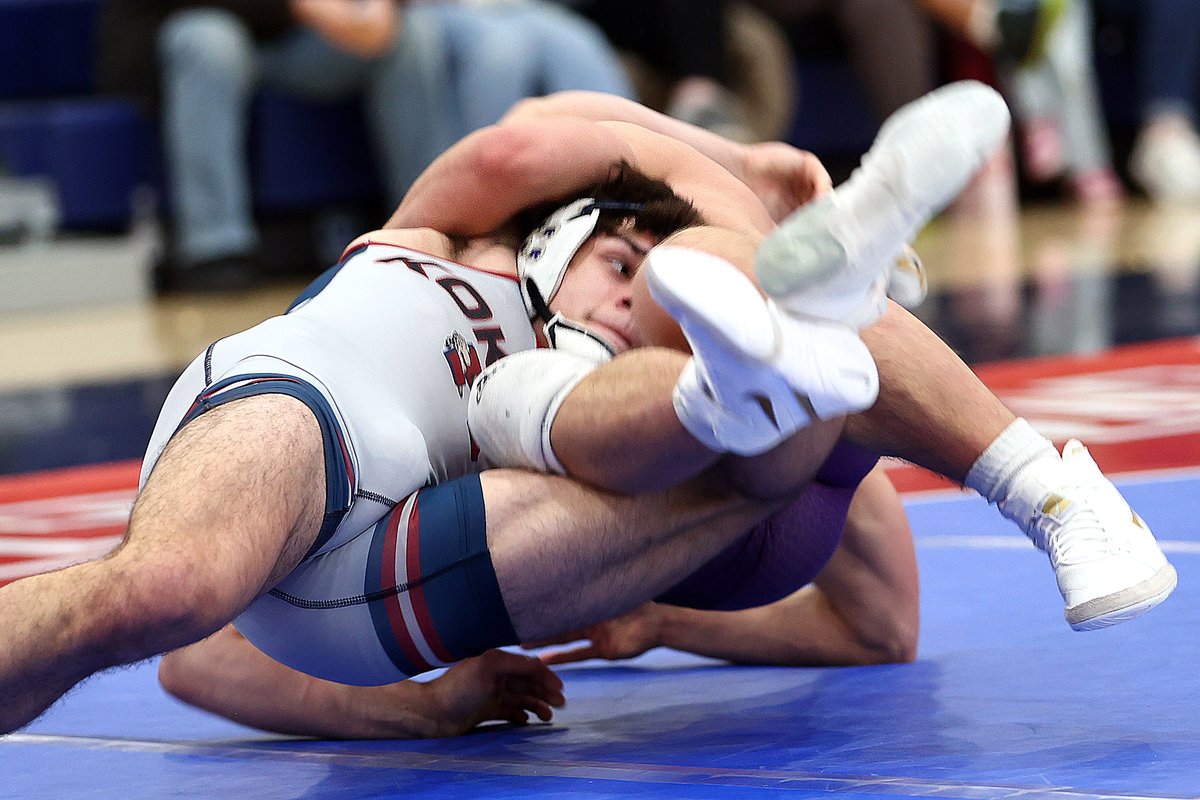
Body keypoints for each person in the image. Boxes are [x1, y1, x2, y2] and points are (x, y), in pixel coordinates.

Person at [0, 84, 1170, 739]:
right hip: (325, 411)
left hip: (475, 541)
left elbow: (880, 627)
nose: (631, 291)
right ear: (558, 235)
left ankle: (1015, 465)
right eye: (620, 261)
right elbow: (194, 661)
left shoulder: (747, 367)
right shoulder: (452, 237)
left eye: (659, 281)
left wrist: (663, 619)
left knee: (794, 405)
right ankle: (826, 308)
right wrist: (735, 162)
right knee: (166, 586)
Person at [95, 0, 631, 292]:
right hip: (210, 30)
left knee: (409, 36)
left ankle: (431, 225)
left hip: (305, 44)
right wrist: (302, 8)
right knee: (207, 41)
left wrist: (378, 9)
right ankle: (214, 249)